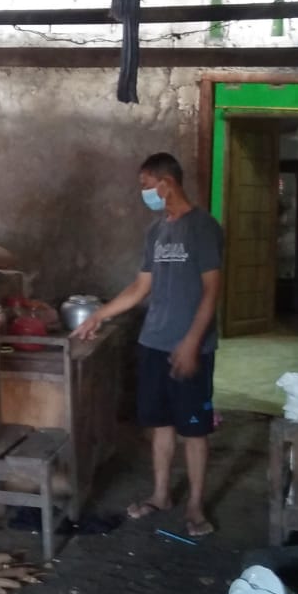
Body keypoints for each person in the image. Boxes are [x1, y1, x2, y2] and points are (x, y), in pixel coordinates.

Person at [71, 152, 223, 538]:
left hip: (192, 347)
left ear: (166, 184)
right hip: (154, 342)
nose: (143, 193)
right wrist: (99, 315)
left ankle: (195, 505)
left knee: (194, 429)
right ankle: (160, 495)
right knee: (160, 423)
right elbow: (141, 287)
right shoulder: (155, 232)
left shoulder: (203, 227)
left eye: (146, 185)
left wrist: (191, 342)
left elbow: (211, 291)